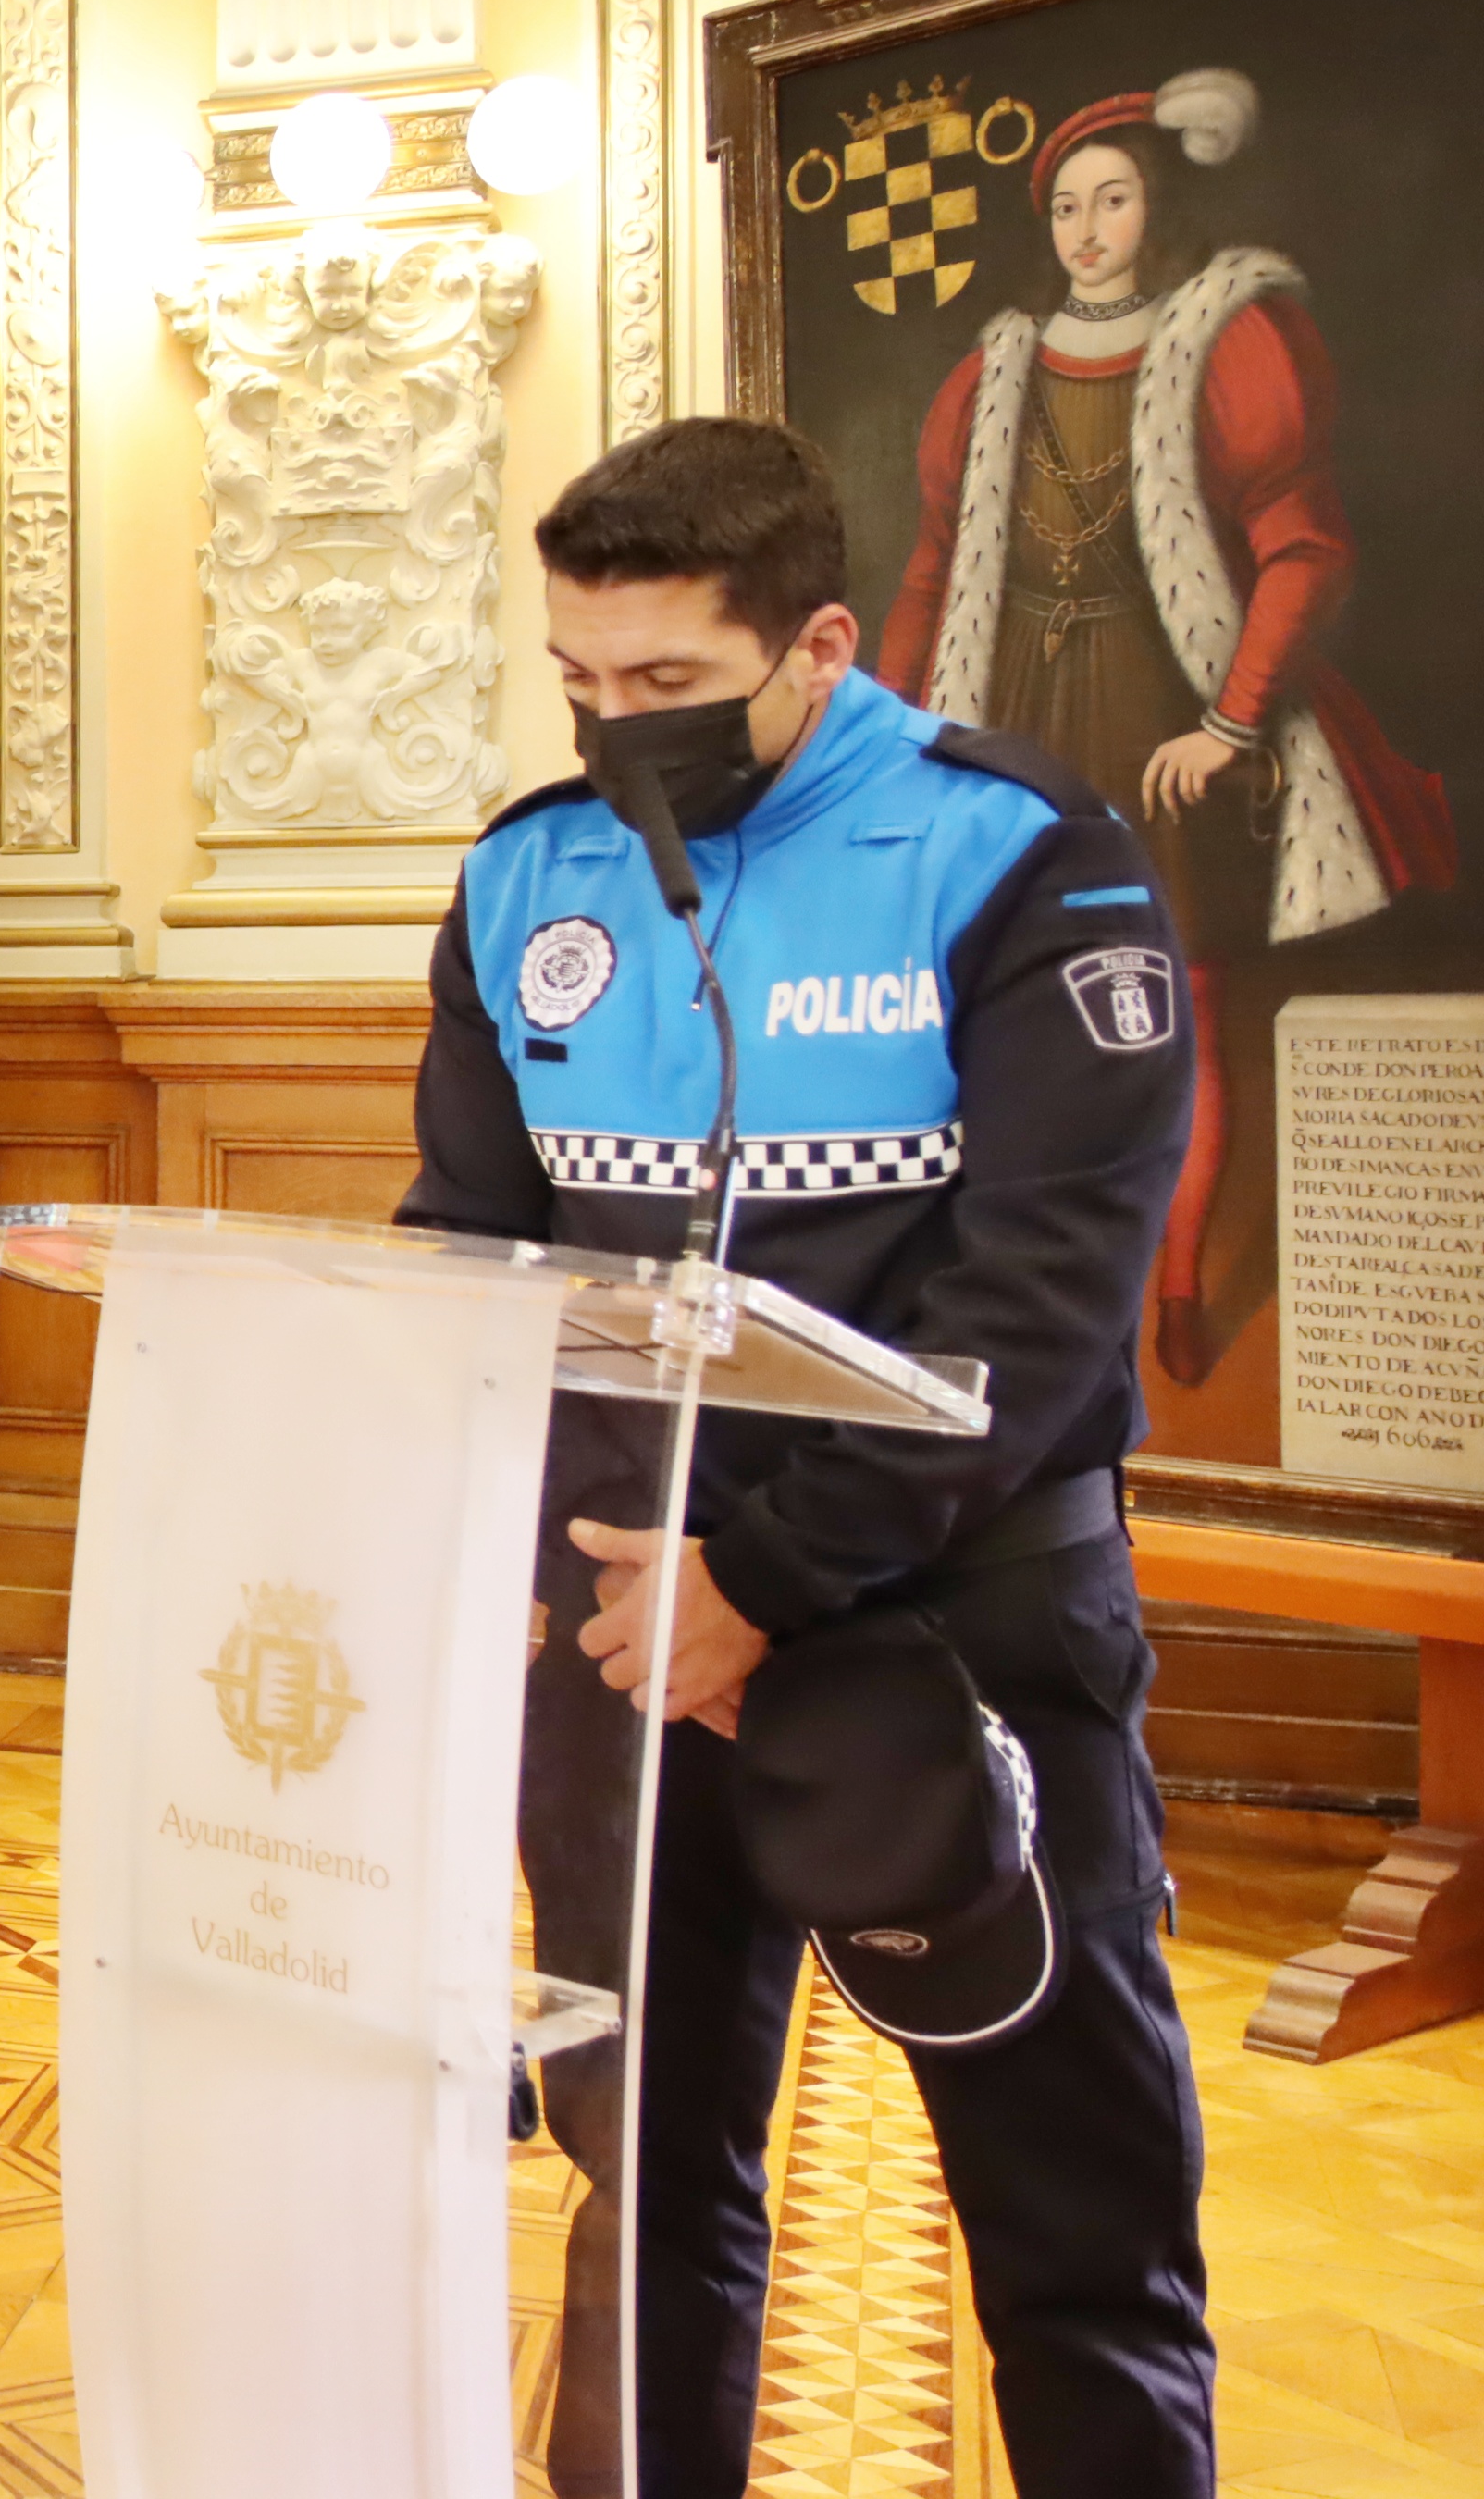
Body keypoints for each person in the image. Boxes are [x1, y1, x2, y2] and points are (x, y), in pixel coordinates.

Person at [403, 418, 1214, 2497]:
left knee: (1073, 2201)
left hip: (962, 1614)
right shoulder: (525, 875)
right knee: (644, 2177)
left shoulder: (1026, 858)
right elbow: (472, 1245)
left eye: (669, 680)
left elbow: (1037, 1313)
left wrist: (754, 1583)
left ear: (821, 644)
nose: (618, 725)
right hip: (622, 1630)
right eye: (580, 679)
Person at [881, 65, 1453, 1379]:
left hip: (1166, 720)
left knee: (1178, 1006)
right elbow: (932, 571)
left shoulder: (1229, 336)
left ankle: (1179, 1284)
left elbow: (1305, 551)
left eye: (1115, 200)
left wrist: (1230, 724)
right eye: (1066, 207)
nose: (1087, 230)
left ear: (1157, 207)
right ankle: (1038, 1293)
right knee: (1009, 1003)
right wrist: (896, 738)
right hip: (1017, 710)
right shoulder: (994, 372)